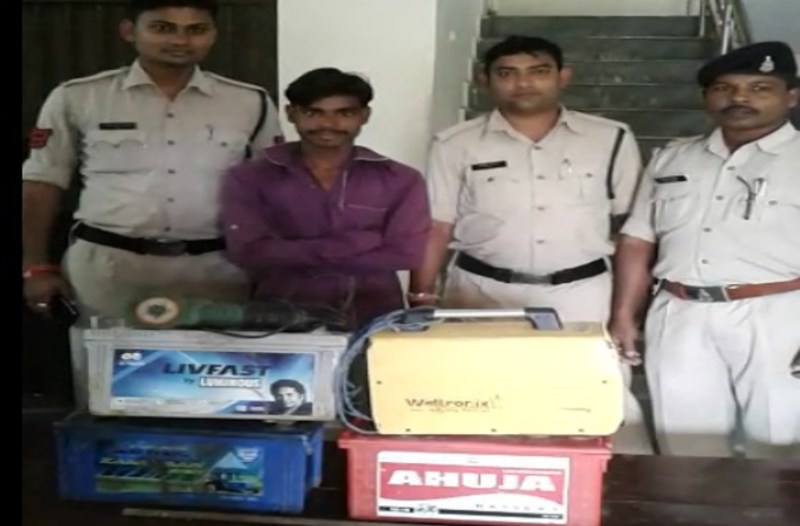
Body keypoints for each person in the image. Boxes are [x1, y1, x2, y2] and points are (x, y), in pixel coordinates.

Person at [409, 35, 652, 454]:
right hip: (481, 291)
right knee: (482, 396)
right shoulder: (455, 143)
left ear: (562, 77)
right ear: (485, 80)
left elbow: (634, 229)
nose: (523, 83)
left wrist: (626, 313)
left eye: (538, 72)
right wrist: (421, 295)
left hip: (581, 293)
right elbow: (436, 224)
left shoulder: (610, 138)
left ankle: (615, 482)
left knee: (601, 397)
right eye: (508, 73)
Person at [22, 0, 282, 320]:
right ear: (129, 31)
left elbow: (274, 189)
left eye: (196, 30)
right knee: (104, 354)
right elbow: (42, 184)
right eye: (162, 28)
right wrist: (34, 266)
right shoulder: (78, 97)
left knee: (213, 354)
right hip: (107, 270)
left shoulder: (250, 102)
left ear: (213, 34)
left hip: (217, 271)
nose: (180, 40)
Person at [610, 41, 800, 459]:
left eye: (759, 88)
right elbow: (637, 240)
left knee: (779, 444)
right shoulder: (673, 158)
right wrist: (624, 315)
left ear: (791, 96)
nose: (739, 98)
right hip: (679, 312)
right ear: (706, 98)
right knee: (685, 444)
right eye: (724, 88)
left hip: (780, 315)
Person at [221, 68, 430, 328]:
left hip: (372, 316)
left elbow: (405, 255)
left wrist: (293, 252)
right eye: (313, 113)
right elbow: (248, 252)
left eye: (344, 113)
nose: (328, 124)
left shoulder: (400, 179)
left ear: (364, 115)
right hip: (280, 318)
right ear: (291, 113)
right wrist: (357, 243)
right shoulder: (251, 177)